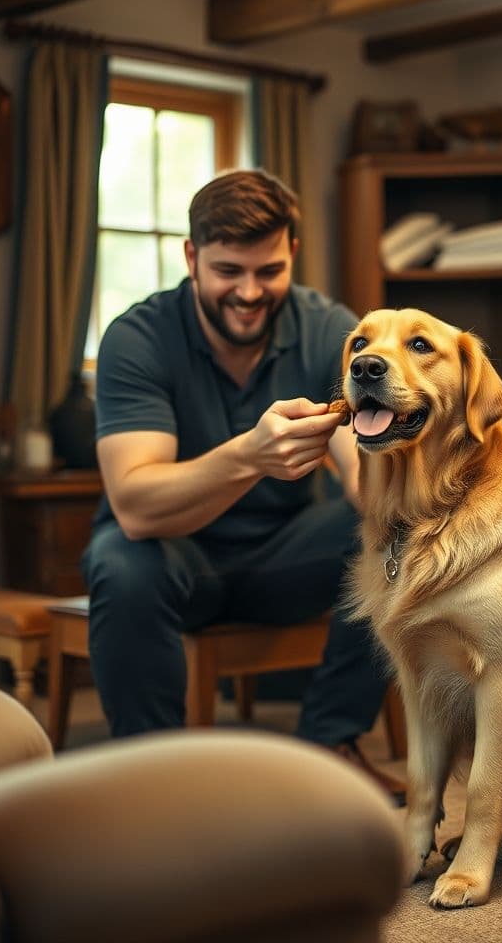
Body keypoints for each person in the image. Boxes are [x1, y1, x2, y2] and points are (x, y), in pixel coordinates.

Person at [82, 168, 402, 798]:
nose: (250, 292)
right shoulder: (138, 337)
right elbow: (136, 505)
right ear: (192, 258)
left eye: (269, 271)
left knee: (396, 531)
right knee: (120, 560)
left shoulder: (329, 330)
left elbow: (366, 486)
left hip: (286, 558)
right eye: (228, 271)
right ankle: (150, 780)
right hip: (174, 558)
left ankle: (329, 746)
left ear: (293, 254)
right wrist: (250, 456)